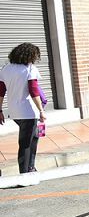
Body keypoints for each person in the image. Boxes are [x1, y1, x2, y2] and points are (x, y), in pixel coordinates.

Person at [0, 42, 46, 178]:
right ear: (29, 55)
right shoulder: (29, 69)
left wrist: (0, 110)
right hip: (28, 111)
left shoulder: (6, 69)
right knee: (25, 143)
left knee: (34, 137)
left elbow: (1, 92)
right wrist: (42, 111)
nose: (35, 59)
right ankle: (24, 172)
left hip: (15, 112)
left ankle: (31, 167)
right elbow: (34, 91)